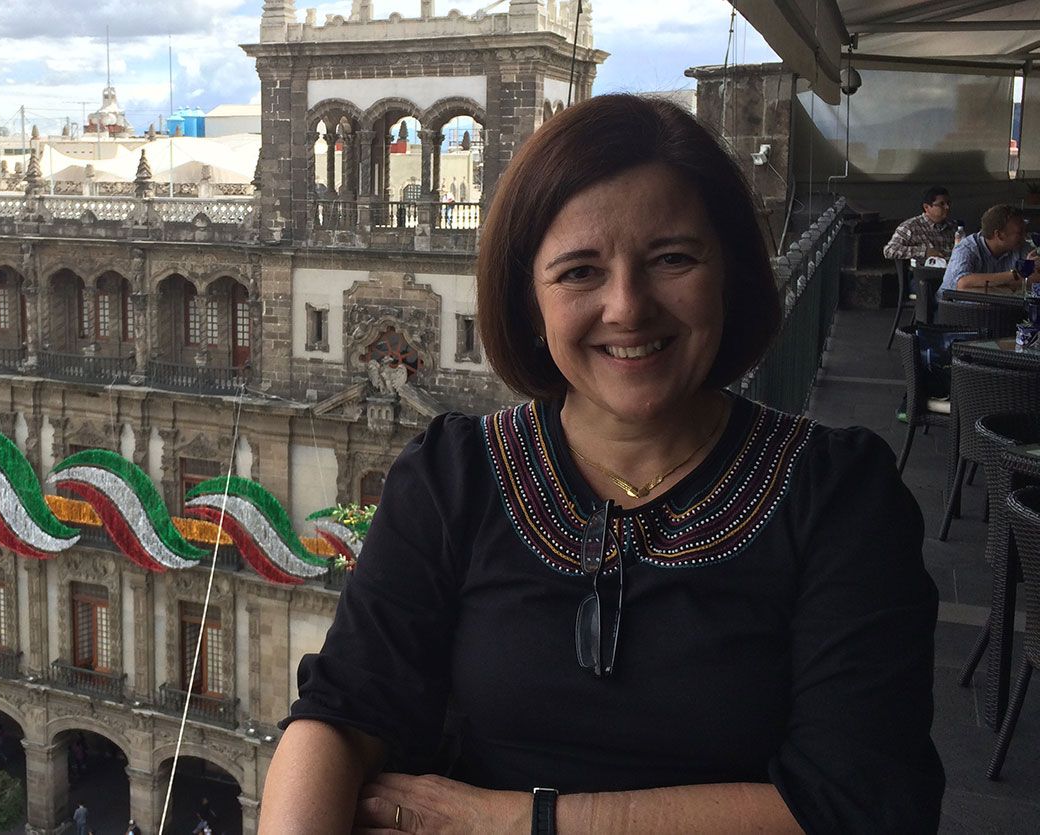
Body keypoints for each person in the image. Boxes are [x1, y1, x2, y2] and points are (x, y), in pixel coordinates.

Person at [259, 94, 944, 833]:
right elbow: (340, 711)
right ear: (530, 301)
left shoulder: (838, 495)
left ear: (732, 271)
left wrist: (521, 821)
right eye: (580, 271)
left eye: (671, 258)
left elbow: (863, 804)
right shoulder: (453, 476)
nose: (627, 307)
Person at [941, 203, 1037, 297]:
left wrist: (989, 286)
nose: (1025, 236)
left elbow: (1035, 279)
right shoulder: (967, 248)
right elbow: (963, 283)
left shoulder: (1021, 246)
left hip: (997, 309)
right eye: (1020, 233)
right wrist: (1016, 275)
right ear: (999, 235)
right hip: (954, 309)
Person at [883, 185, 957, 262]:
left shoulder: (953, 227)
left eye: (948, 203)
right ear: (926, 207)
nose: (947, 207)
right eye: (941, 204)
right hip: (924, 271)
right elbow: (889, 250)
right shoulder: (910, 227)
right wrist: (924, 252)